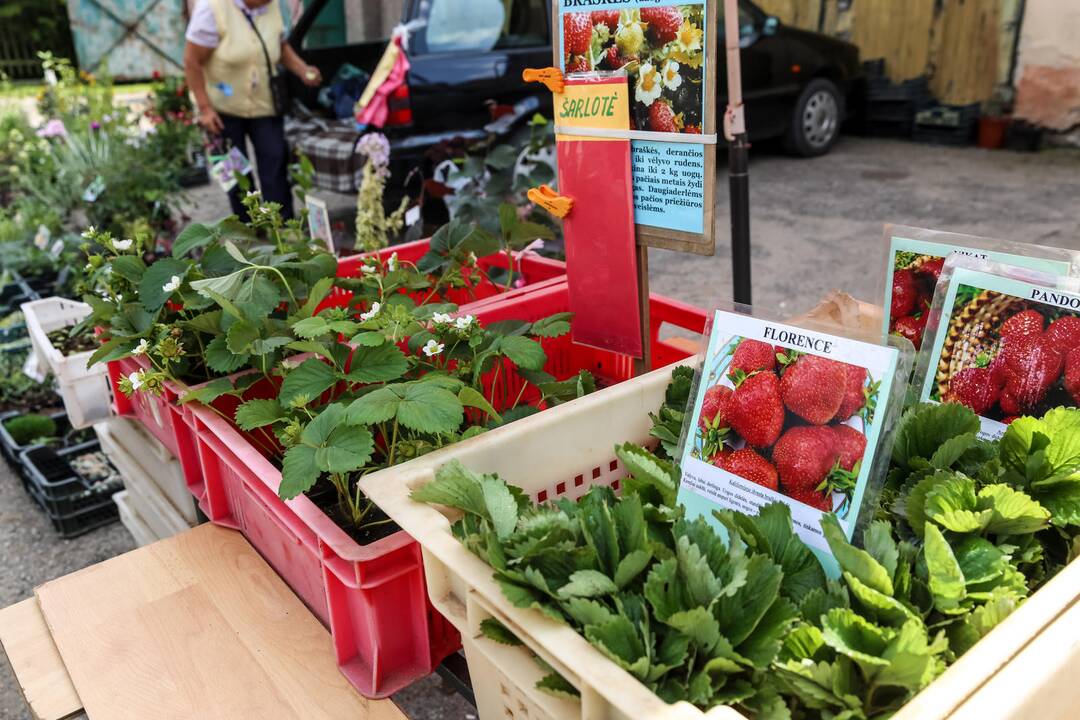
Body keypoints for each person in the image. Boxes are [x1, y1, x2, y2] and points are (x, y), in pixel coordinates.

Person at [183, 0, 321, 220]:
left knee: (275, 162)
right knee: (233, 172)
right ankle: (248, 226)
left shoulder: (273, 5)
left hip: (264, 103)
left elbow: (280, 45)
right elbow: (192, 61)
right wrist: (205, 108)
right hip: (220, 109)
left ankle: (281, 225)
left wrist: (302, 70)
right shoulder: (212, 9)